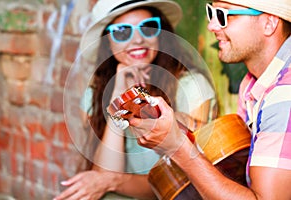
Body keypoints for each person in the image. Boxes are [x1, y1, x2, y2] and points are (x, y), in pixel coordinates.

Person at [54, 0, 217, 199]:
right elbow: (103, 175)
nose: (138, 40)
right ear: (108, 41)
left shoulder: (191, 87)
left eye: (148, 28)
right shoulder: (94, 96)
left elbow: (187, 182)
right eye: (122, 31)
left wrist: (114, 181)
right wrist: (117, 101)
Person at [129, 0, 291, 199]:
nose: (211, 25)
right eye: (211, 12)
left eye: (223, 15)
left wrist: (177, 146)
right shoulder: (251, 83)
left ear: (269, 23)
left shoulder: (284, 93)